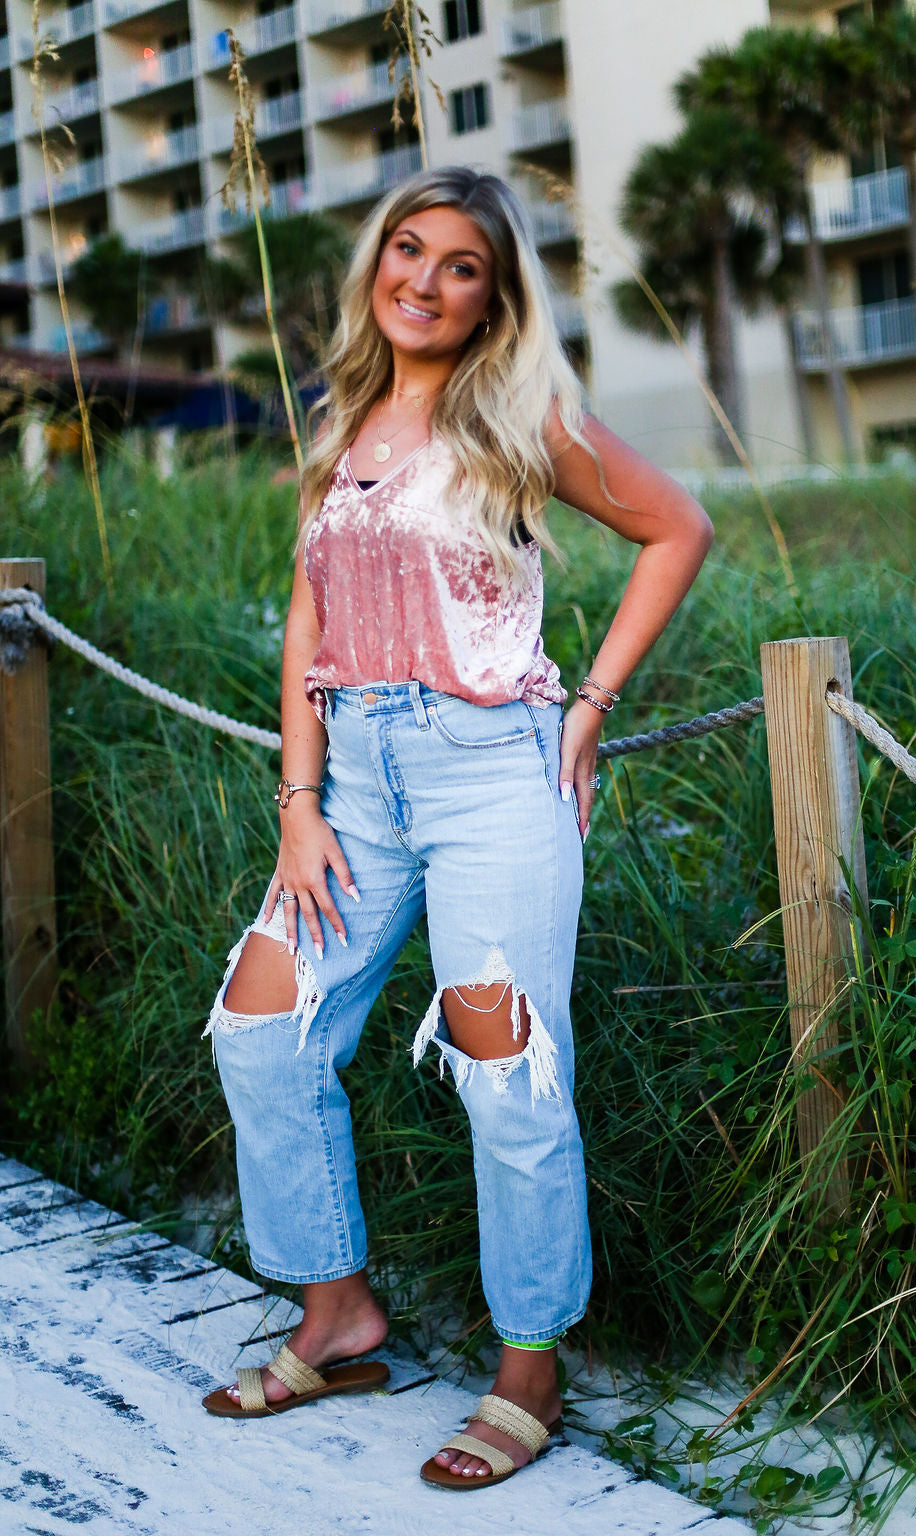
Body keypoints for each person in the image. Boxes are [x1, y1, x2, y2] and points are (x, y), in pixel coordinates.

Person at [199, 165, 713, 1491]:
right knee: (264, 1026)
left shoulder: (521, 414)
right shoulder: (345, 416)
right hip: (354, 790)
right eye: (408, 252)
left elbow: (677, 527)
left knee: (506, 1068)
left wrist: (589, 706)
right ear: (379, 264)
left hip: (490, 780)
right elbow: (308, 622)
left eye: (461, 265)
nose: (424, 282)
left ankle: (527, 1369)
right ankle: (341, 1318)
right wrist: (298, 807)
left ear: (495, 296)